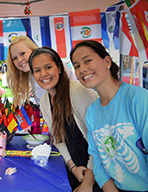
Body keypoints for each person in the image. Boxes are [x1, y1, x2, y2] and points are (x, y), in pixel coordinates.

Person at [70, 40, 148, 192]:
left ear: (107, 61)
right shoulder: (92, 112)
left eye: (87, 60)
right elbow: (98, 158)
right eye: (76, 66)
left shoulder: (138, 99)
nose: (82, 69)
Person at [29, 47, 100, 191]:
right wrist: (72, 166)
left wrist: (88, 181)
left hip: (98, 169)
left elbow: (98, 140)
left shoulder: (79, 92)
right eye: (37, 70)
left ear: (59, 68)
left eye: (48, 67)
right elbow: (58, 139)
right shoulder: (44, 101)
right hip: (75, 168)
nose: (43, 74)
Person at [6, 36, 76, 107]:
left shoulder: (54, 64)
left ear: (33, 50)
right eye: (15, 58)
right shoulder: (31, 74)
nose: (20, 60)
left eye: (23, 53)